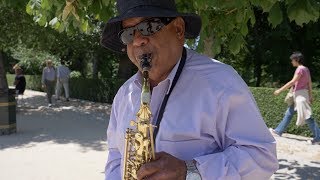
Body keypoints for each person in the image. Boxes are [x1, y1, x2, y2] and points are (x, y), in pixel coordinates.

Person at [101, 0, 278, 179]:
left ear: (178, 29)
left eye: (149, 26)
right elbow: (116, 154)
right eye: (129, 34)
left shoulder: (220, 82)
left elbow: (261, 158)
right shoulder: (125, 93)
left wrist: (190, 171)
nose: (138, 40)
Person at [270, 52, 320, 145]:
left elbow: (292, 82)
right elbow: (309, 83)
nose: (291, 62)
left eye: (292, 60)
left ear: (296, 60)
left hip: (300, 97)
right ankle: (278, 131)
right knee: (289, 113)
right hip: (300, 95)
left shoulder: (299, 69)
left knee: (308, 117)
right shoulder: (306, 69)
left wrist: (280, 90)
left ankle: (318, 138)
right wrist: (310, 95)